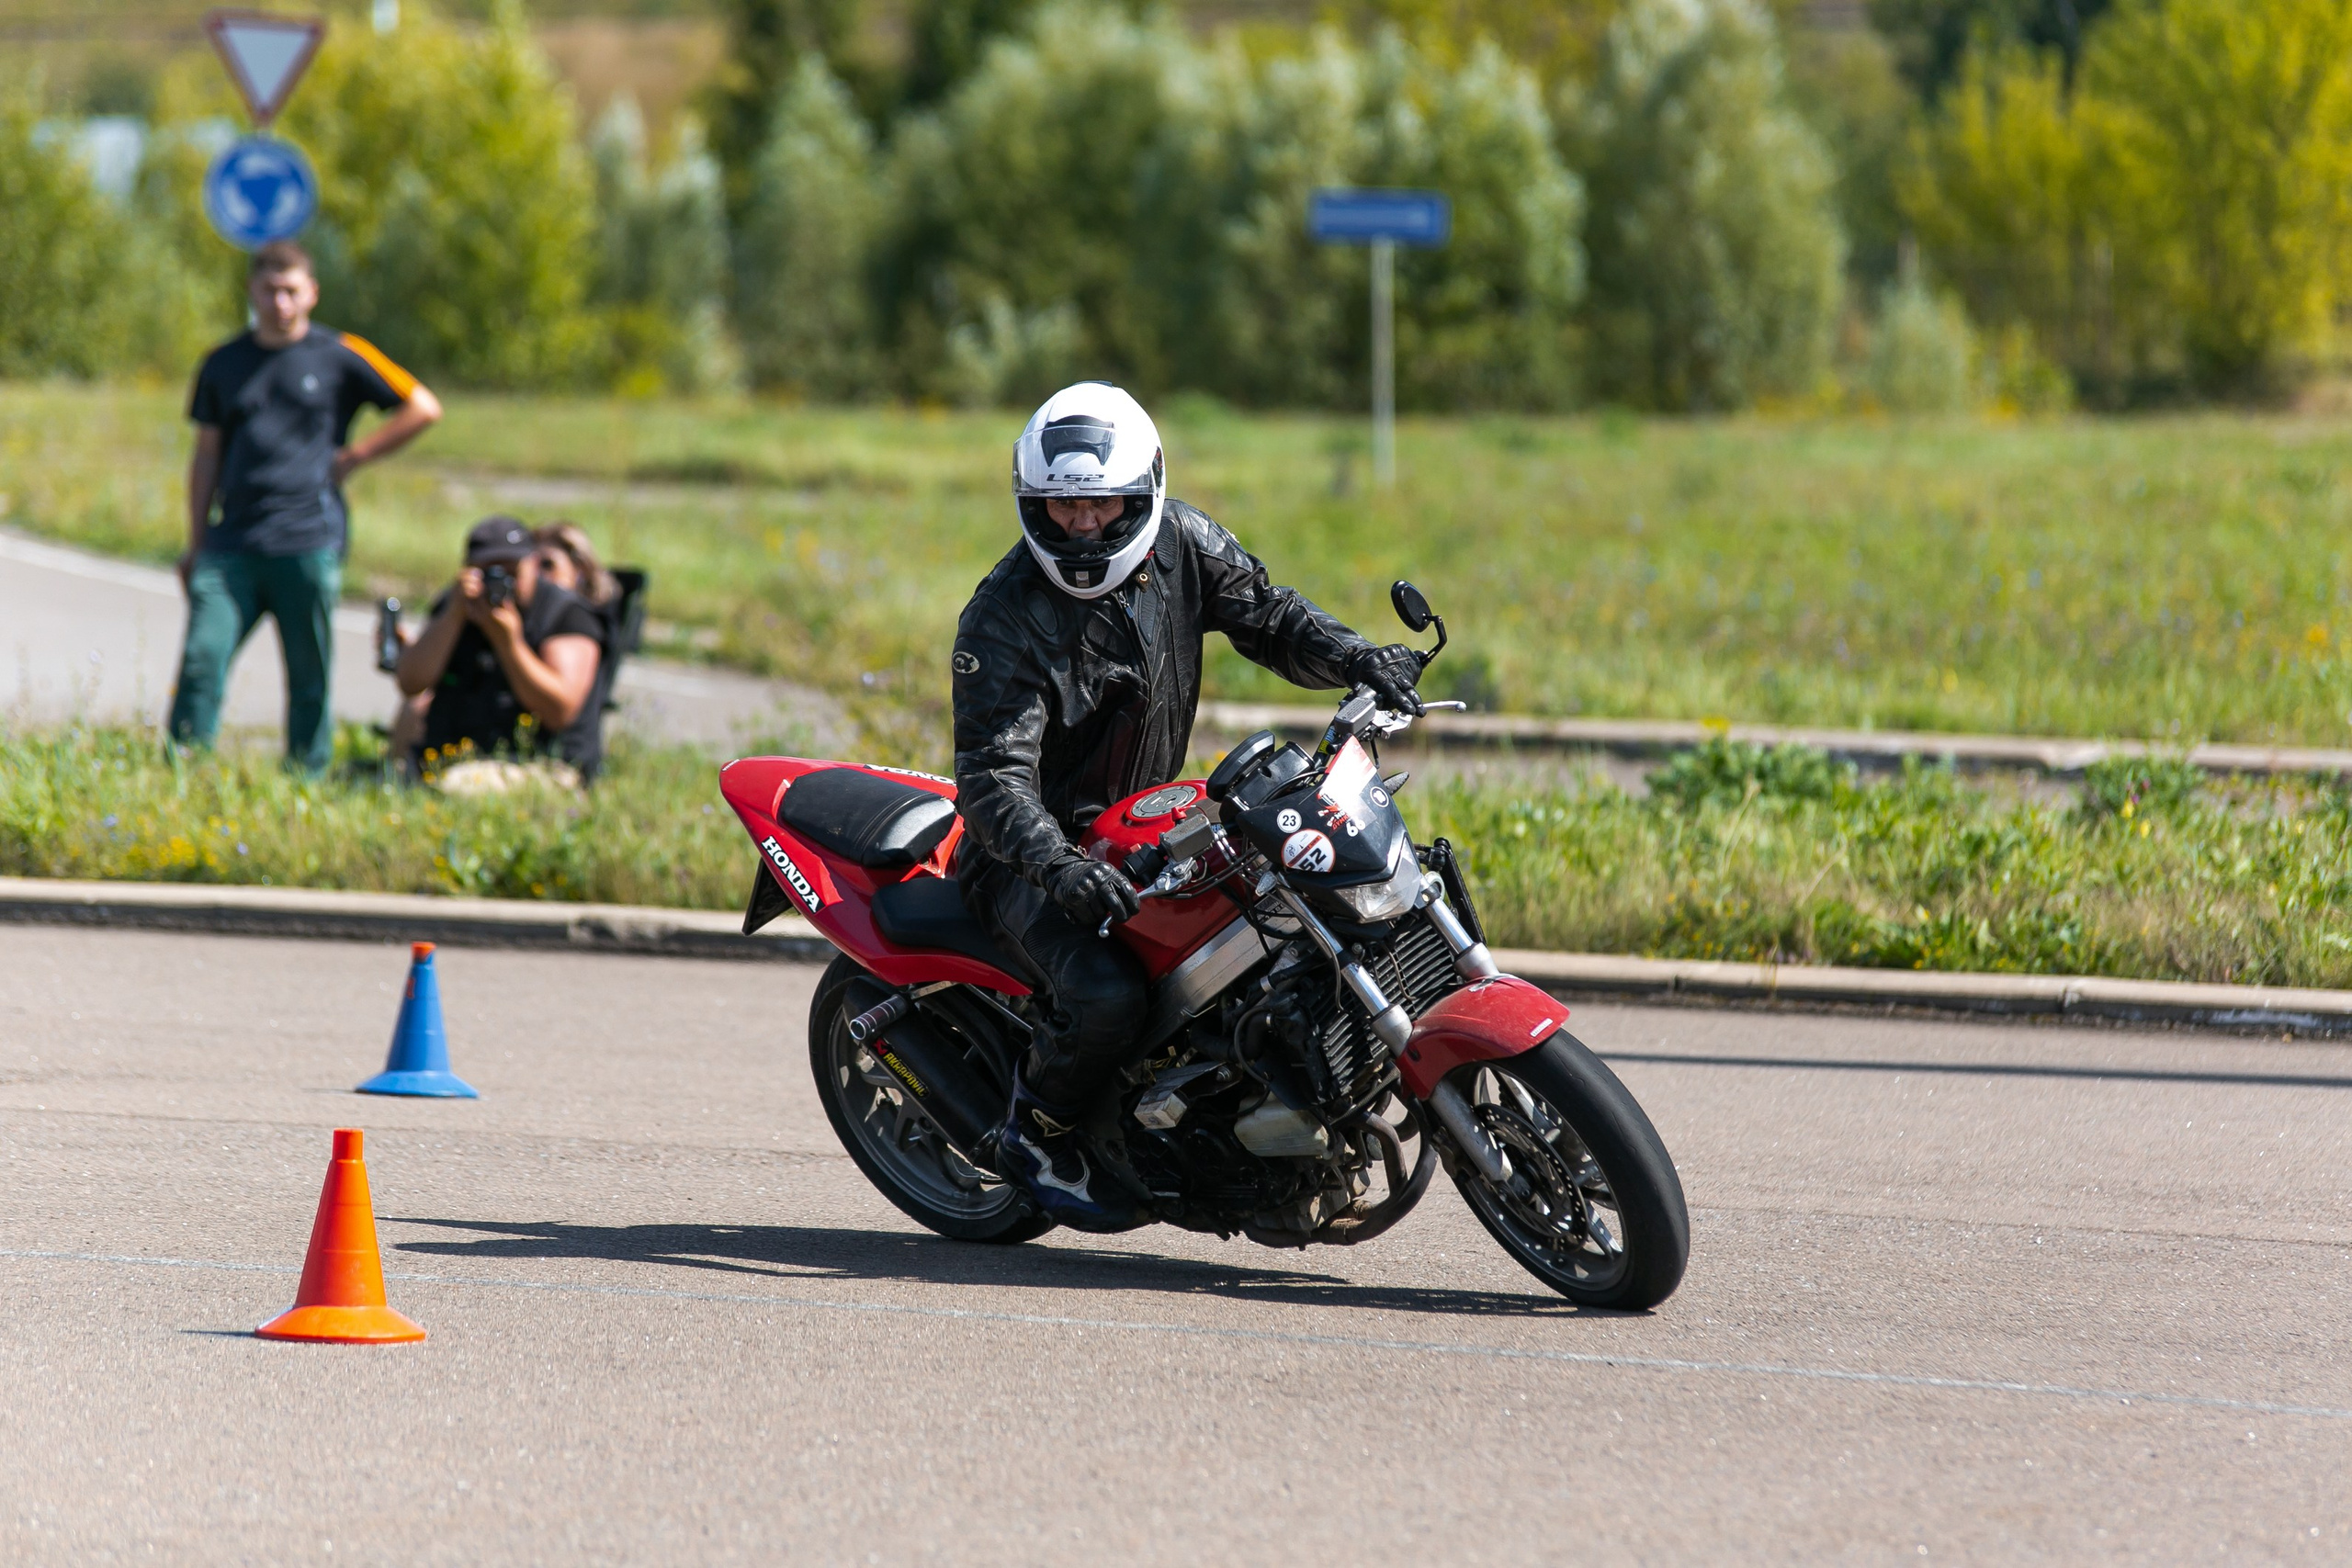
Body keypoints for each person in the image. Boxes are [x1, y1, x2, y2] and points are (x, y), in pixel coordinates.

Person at [952, 381, 1427, 1231]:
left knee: (1283, 920)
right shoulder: (1001, 618)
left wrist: (1360, 658)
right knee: (1107, 993)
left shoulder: (1182, 542)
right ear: (1033, 501)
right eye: (1063, 505)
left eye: (1102, 504)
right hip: (1027, 857)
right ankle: (1036, 1132)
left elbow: (1272, 618)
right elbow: (993, 777)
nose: (1083, 526)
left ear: (1142, 492)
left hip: (1148, 824)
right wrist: (1058, 866)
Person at [169, 240, 442, 772]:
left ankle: (305, 778)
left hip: (308, 538)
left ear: (312, 293)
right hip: (232, 541)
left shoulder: (339, 353)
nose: (280, 303)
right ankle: (181, 771)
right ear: (251, 291)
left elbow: (423, 406)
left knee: (308, 673)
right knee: (203, 658)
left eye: (291, 291)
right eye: (270, 290)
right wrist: (196, 542)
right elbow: (206, 455)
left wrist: (356, 456)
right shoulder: (223, 363)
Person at [394, 516, 610, 783]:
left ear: (533, 563)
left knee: (457, 784)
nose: (501, 583)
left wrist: (510, 645)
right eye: (489, 572)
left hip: (542, 765)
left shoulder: (566, 615)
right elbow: (411, 683)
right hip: (453, 757)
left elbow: (560, 711)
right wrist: (452, 617)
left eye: (512, 572)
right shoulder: (457, 605)